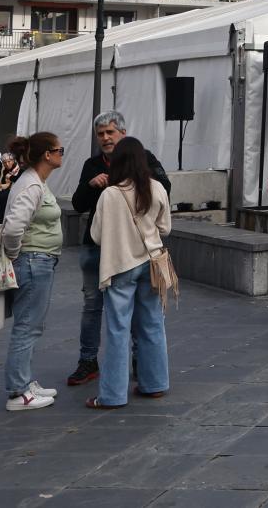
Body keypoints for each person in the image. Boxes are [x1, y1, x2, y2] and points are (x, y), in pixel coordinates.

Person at [68, 112, 171, 387]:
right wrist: (91, 185)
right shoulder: (92, 165)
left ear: (123, 134)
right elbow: (79, 204)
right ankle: (92, 361)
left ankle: (135, 369)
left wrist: (137, 178)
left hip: (124, 253)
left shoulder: (145, 160)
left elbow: (164, 187)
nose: (105, 138)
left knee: (122, 323)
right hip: (107, 252)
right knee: (96, 307)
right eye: (100, 134)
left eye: (110, 132)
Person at [87, 137, 172, 408]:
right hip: (152, 263)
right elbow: (165, 228)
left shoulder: (110, 194)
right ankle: (155, 383)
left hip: (120, 265)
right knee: (152, 325)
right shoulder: (156, 187)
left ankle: (112, 395)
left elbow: (97, 235)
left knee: (117, 330)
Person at [0, 132, 66, 411]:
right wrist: (17, 254)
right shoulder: (31, 185)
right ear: (47, 155)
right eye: (59, 149)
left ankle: (24, 382)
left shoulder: (35, 182)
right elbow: (13, 227)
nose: (62, 153)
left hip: (36, 259)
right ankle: (18, 391)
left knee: (31, 324)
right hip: (32, 260)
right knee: (27, 325)